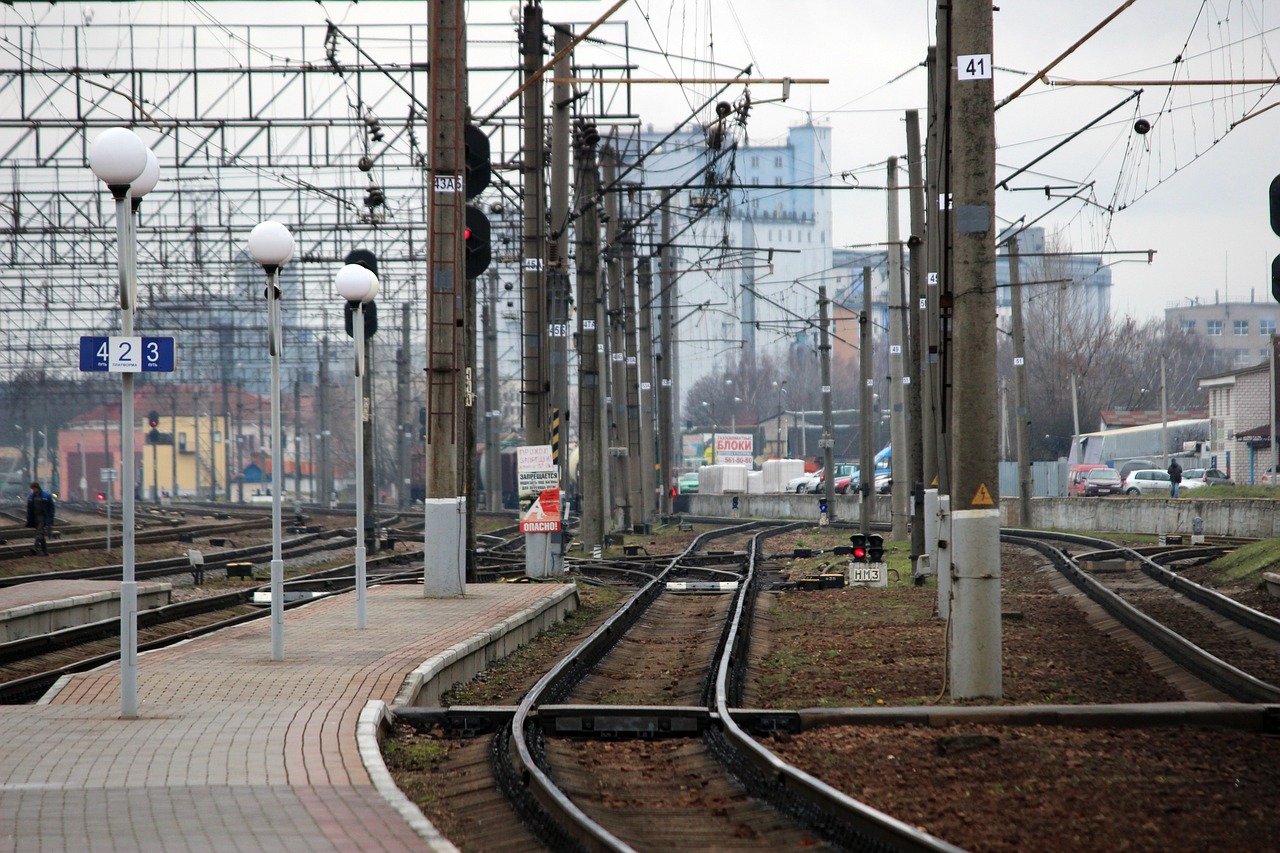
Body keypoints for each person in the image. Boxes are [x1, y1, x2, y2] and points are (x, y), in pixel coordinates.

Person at [26, 481, 55, 556]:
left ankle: (34, 546)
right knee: (41, 534)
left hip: (43, 517)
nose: (34, 490)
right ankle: (45, 552)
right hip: (35, 518)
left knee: (39, 532)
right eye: (32, 489)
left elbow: (51, 506)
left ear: (37, 487)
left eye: (34, 488)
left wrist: (51, 515)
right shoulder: (31, 497)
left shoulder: (46, 496)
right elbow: (29, 508)